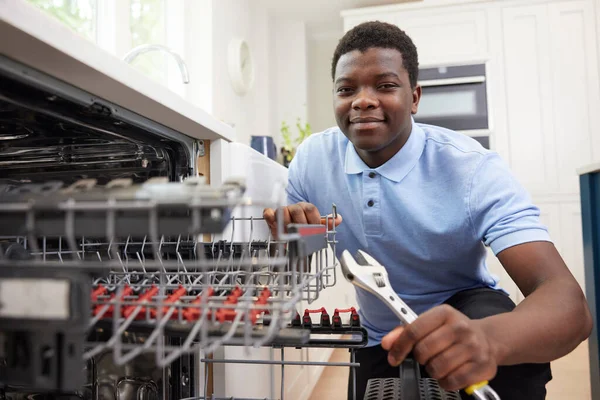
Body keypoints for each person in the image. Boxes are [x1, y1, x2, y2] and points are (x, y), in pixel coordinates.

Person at [263, 21, 592, 400]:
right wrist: (295, 240)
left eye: (385, 86)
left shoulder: (472, 168)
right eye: (346, 89)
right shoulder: (312, 159)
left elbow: (568, 303)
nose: (362, 100)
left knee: (506, 349)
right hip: (380, 334)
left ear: (415, 97)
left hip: (467, 311)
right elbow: (296, 262)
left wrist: (488, 340)